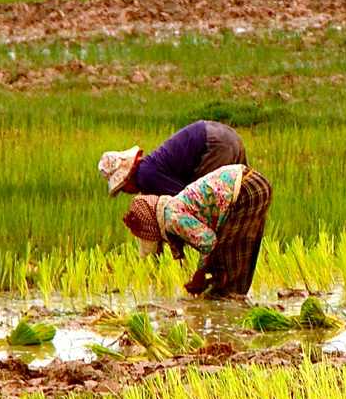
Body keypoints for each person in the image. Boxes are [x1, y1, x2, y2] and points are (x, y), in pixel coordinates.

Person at [120, 163, 273, 297]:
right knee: (227, 262)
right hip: (254, 182)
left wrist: (199, 276)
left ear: (152, 226)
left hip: (246, 189)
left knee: (229, 273)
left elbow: (209, 242)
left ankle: (232, 319)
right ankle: (233, 314)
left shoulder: (172, 218)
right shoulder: (176, 206)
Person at [99, 120, 247, 197]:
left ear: (127, 177)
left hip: (214, 143)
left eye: (123, 188)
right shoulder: (150, 168)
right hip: (226, 134)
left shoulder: (145, 175)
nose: (127, 192)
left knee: (209, 201)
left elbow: (185, 200)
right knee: (235, 196)